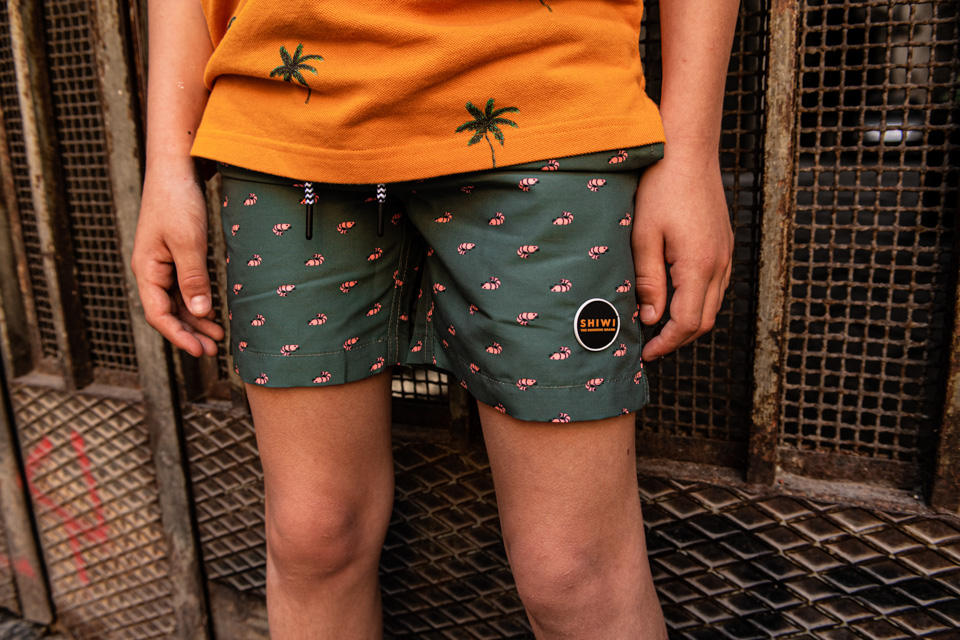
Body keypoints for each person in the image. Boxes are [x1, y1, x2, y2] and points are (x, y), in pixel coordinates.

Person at [132, 0, 738, 637]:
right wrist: (167, 161)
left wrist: (692, 152)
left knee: (573, 575)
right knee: (315, 535)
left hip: (543, 100)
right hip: (284, 121)